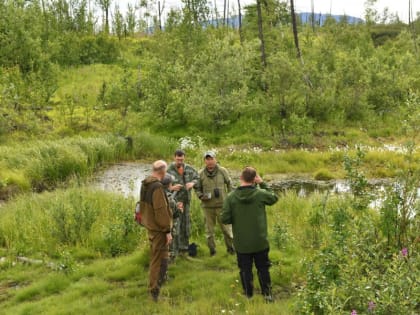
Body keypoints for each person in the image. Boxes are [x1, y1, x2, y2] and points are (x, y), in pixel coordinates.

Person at [221, 166, 278, 302]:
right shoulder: (261, 194)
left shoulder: (231, 197)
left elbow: (225, 219)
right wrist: (262, 183)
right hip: (260, 241)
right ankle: (267, 294)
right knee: (263, 268)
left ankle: (249, 295)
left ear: (241, 178)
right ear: (254, 180)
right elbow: (274, 198)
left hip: (241, 243)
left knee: (245, 270)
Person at [139, 160, 173, 301]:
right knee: (157, 261)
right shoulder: (157, 187)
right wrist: (167, 231)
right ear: (163, 171)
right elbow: (161, 211)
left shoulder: (145, 184)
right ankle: (154, 291)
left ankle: (159, 284)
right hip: (159, 230)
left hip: (150, 226)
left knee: (162, 258)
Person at [195, 151, 234, 256]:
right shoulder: (200, 173)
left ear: (215, 159)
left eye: (211, 159)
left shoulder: (222, 171)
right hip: (207, 207)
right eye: (207, 159)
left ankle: (231, 250)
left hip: (223, 206)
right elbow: (197, 188)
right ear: (204, 161)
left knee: (227, 231)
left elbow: (230, 184)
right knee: (209, 232)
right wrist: (200, 195)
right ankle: (212, 252)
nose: (210, 161)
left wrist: (230, 198)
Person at [167, 149, 199, 258]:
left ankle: (184, 249)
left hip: (186, 202)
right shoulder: (168, 170)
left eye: (181, 159)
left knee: (186, 225)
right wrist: (171, 188)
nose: (180, 161)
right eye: (178, 159)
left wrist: (192, 183)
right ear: (174, 157)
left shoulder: (189, 169)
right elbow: (161, 186)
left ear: (184, 157)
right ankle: (173, 252)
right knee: (175, 227)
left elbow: (197, 178)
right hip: (174, 204)